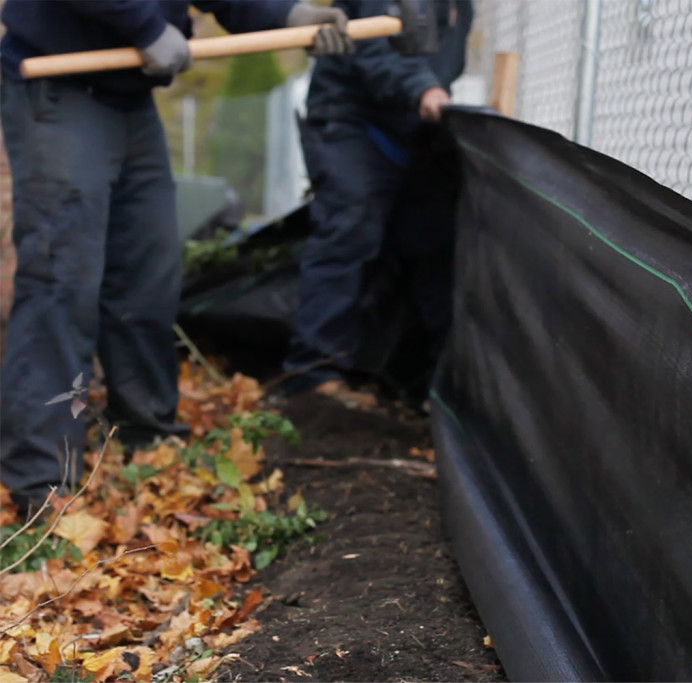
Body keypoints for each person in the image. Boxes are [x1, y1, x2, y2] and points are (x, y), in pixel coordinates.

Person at [0, 0, 353, 518]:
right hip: (61, 82)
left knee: (148, 276)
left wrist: (289, 16)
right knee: (62, 282)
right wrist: (144, 27)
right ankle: (40, 479)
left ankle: (149, 440)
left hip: (129, 94)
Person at [281, 0, 473, 408]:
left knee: (435, 241)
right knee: (349, 229)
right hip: (353, 119)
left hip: (412, 127)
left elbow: (443, 63)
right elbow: (373, 43)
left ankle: (435, 387)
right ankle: (312, 377)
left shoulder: (462, 7)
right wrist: (423, 88)